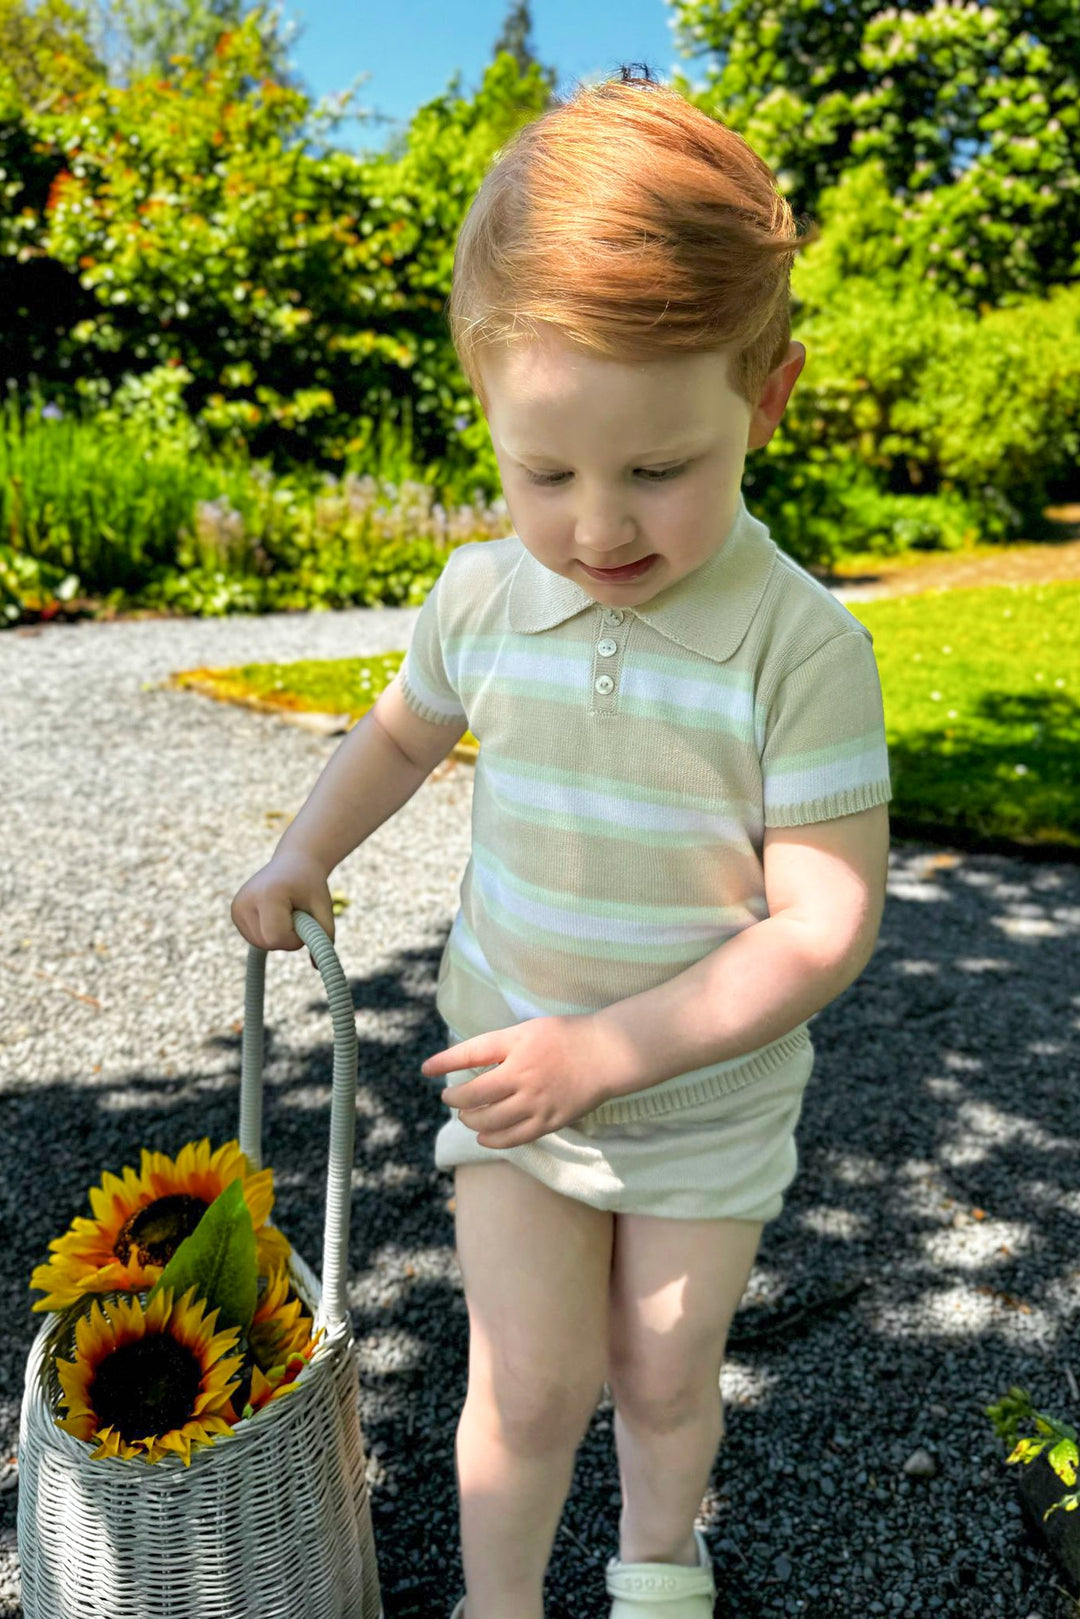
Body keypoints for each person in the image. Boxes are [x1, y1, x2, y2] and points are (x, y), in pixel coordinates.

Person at [231, 64, 893, 1619]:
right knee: (528, 1386)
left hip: (703, 1099)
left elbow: (820, 925)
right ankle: (501, 1602)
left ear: (769, 397)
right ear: (485, 417)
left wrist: (608, 1053)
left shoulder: (797, 648)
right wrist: (299, 852)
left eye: (660, 468)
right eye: (546, 473)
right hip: (514, 1072)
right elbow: (403, 729)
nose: (600, 527)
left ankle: (661, 1575)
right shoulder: (481, 596)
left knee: (664, 1376)